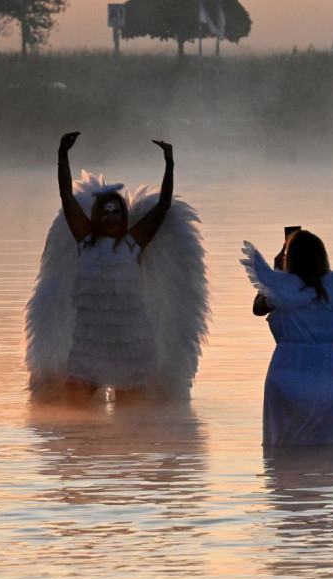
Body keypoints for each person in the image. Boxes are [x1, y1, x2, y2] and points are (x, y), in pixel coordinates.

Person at [24, 131, 209, 404]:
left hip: (130, 342)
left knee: (131, 415)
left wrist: (169, 164)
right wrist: (63, 157)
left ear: (124, 215)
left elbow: (163, 206)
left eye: (116, 211)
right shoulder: (84, 241)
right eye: (105, 211)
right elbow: (66, 196)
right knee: (75, 411)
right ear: (96, 216)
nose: (111, 217)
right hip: (89, 340)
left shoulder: (133, 244)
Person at [241, 230, 333, 446]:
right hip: (329, 376)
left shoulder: (282, 290)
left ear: (290, 259)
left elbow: (258, 308)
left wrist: (277, 273)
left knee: (283, 446)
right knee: (326, 447)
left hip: (286, 373)